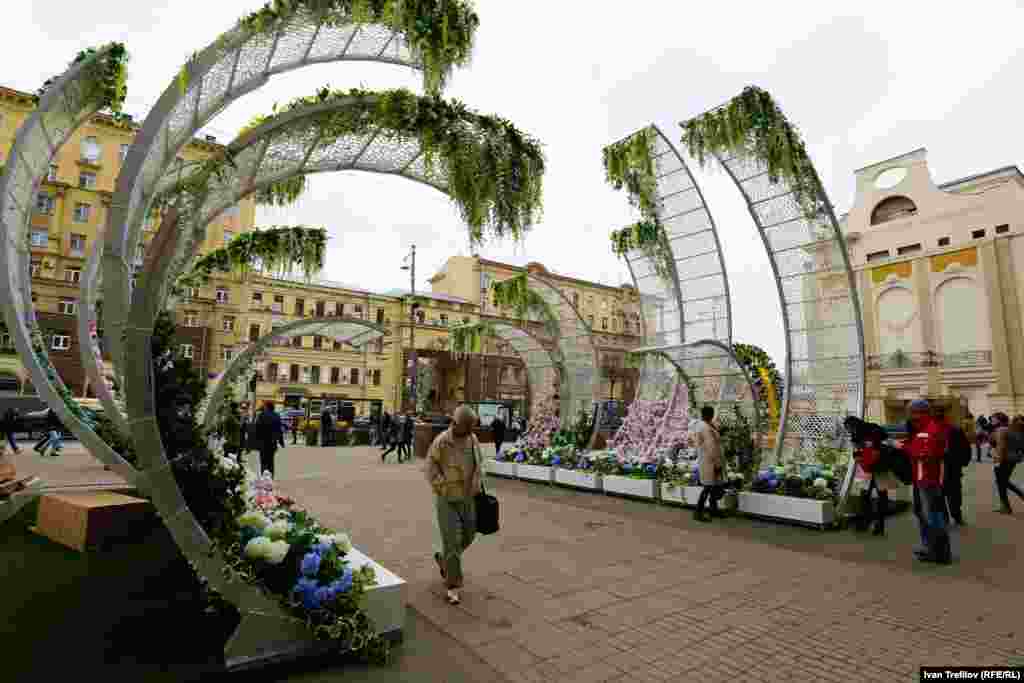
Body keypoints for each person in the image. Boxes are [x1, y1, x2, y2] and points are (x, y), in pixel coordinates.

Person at [425, 405, 483, 605]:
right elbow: (430, 468)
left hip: (467, 498)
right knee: (452, 542)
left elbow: (479, 463)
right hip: (447, 499)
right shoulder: (442, 441)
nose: (471, 430)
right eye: (468, 426)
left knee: (469, 535)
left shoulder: (473, 439)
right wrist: (442, 488)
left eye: (472, 427)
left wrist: (477, 482)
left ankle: (444, 560)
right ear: (456, 423)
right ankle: (453, 586)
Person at [906, 399, 951, 564]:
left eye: (911, 412)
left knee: (932, 516)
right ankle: (930, 548)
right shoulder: (925, 428)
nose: (910, 416)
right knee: (924, 513)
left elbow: (926, 454)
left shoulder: (929, 429)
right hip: (923, 478)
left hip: (928, 480)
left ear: (919, 412)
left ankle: (939, 553)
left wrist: (904, 448)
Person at [845, 416, 900, 536]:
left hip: (880, 467)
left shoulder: (873, 429)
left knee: (880, 496)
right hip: (868, 468)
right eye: (848, 429)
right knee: (866, 495)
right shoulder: (856, 435)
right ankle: (867, 522)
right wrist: (858, 455)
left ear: (855, 424)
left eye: (850, 428)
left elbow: (887, 441)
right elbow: (856, 450)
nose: (850, 431)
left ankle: (878, 525)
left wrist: (875, 448)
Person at [933, 404, 971, 525]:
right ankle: (951, 516)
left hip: (946, 466)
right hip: (942, 467)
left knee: (948, 493)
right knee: (949, 493)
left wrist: (962, 462)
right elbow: (965, 448)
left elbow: (965, 448)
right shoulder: (952, 429)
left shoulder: (953, 429)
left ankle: (951, 516)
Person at [693, 405, 724, 522]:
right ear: (710, 415)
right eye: (711, 414)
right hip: (710, 461)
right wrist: (717, 463)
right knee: (708, 487)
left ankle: (713, 510)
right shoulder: (705, 428)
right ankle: (698, 512)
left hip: (706, 460)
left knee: (712, 486)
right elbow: (712, 447)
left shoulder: (703, 425)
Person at [992, 413, 1024, 514]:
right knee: (1002, 481)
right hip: (1013, 459)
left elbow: (1001, 447)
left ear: (999, 420)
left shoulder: (1002, 430)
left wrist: (997, 461)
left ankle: (1006, 507)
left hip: (1003, 459)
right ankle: (1006, 506)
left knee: (1001, 482)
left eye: (994, 419)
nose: (992, 420)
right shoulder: (1018, 431)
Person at [252, 401, 285, 477]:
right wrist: (281, 442)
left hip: (263, 442)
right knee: (271, 461)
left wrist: (254, 442)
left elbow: (257, 429)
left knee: (263, 461)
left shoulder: (262, 415)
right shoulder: (277, 415)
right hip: (272, 443)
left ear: (267, 407)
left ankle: (264, 477)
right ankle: (271, 477)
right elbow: (279, 430)